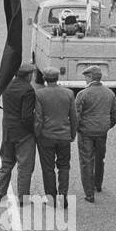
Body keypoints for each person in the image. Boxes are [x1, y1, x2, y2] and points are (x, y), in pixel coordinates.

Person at [34, 67, 79, 207]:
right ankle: (63, 194)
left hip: (46, 136)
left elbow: (39, 118)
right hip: (64, 135)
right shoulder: (69, 93)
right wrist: (72, 134)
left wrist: (37, 134)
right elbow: (73, 117)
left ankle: (51, 197)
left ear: (45, 78)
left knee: (48, 168)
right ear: (57, 78)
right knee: (64, 166)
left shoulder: (40, 94)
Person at [0, 62, 39, 202]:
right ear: (27, 75)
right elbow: (26, 116)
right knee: (24, 167)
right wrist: (34, 130)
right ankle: (23, 198)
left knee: (6, 163)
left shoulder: (6, 85)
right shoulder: (28, 90)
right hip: (23, 134)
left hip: (8, 129)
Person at [75, 66, 116, 203]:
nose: (84, 80)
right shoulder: (110, 93)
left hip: (86, 132)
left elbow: (77, 115)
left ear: (89, 78)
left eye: (85, 77)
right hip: (102, 132)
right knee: (100, 158)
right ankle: (97, 184)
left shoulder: (82, 94)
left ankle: (89, 193)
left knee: (86, 161)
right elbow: (115, 115)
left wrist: (77, 128)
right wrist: (107, 125)